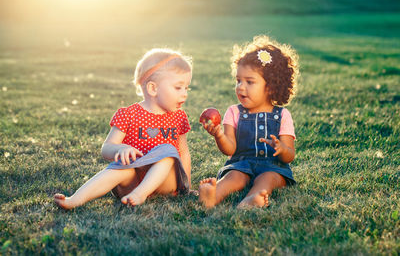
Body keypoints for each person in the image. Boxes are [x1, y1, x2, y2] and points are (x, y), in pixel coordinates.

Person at [54, 48, 193, 209]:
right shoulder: (128, 115)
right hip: (131, 183)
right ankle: (75, 199)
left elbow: (183, 152)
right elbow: (106, 149)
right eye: (178, 87)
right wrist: (120, 149)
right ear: (153, 88)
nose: (184, 94)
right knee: (121, 168)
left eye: (186, 88)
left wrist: (186, 185)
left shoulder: (179, 117)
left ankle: (141, 194)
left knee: (168, 153)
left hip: (164, 183)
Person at [199, 35, 299, 208]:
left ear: (271, 87)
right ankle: (212, 196)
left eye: (249, 82)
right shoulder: (234, 112)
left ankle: (254, 198)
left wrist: (281, 149)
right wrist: (219, 135)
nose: (240, 87)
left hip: (273, 166)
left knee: (268, 178)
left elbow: (290, 155)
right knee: (234, 177)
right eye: (238, 81)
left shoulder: (282, 115)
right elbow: (230, 149)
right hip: (241, 163)